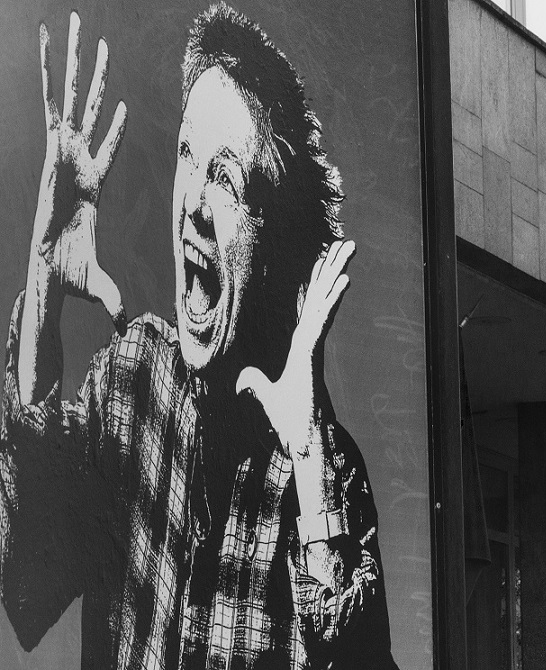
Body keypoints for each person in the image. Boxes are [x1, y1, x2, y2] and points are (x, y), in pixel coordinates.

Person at [0, 4, 399, 669]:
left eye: (225, 177)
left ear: (273, 243)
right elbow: (26, 581)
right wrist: (42, 289)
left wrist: (307, 455)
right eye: (188, 154)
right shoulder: (132, 380)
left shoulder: (326, 471)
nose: (193, 205)